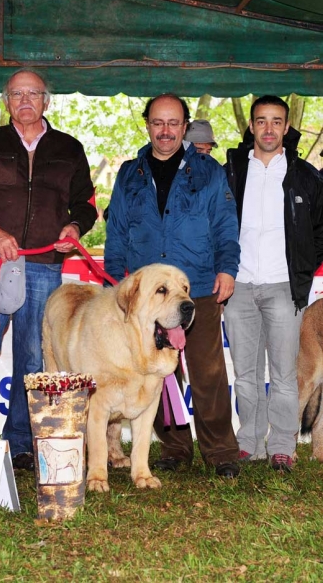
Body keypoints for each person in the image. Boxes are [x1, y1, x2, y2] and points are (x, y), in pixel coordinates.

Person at [0, 69, 97, 471]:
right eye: (17, 94)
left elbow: (86, 203)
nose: (26, 100)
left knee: (33, 357)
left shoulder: (69, 148)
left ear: (47, 101)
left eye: (33, 93)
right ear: (6, 101)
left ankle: (19, 442)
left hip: (45, 267)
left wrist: (74, 227)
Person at [105, 93, 241, 478]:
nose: (165, 131)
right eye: (158, 123)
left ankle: (221, 453)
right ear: (147, 125)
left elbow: (226, 227)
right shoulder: (129, 174)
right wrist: (116, 281)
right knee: (159, 375)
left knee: (208, 372)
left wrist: (227, 268)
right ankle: (174, 448)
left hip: (196, 287)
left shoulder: (210, 172)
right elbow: (116, 232)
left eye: (173, 123)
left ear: (184, 127)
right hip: (147, 296)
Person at [224, 95, 323, 472]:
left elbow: (319, 231)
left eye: (276, 121)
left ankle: (283, 445)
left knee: (284, 374)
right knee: (246, 375)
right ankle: (248, 442)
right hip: (240, 285)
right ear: (251, 126)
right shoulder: (231, 170)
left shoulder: (305, 175)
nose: (268, 128)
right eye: (261, 121)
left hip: (285, 288)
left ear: (285, 127)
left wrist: (300, 270)